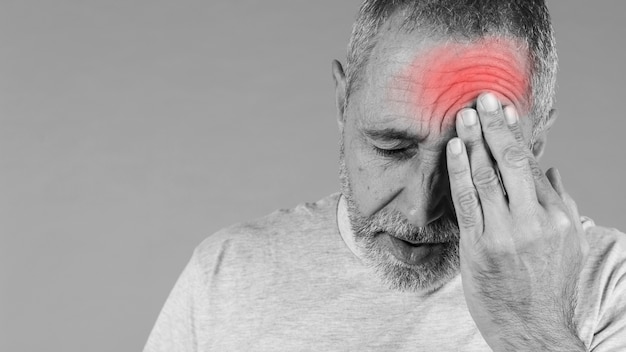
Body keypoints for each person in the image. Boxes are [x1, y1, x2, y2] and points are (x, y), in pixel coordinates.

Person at [144, 1, 626, 351]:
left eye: (474, 157)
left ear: (532, 145)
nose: (420, 209)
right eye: (392, 148)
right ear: (341, 102)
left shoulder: (610, 285)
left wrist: (529, 328)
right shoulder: (226, 274)